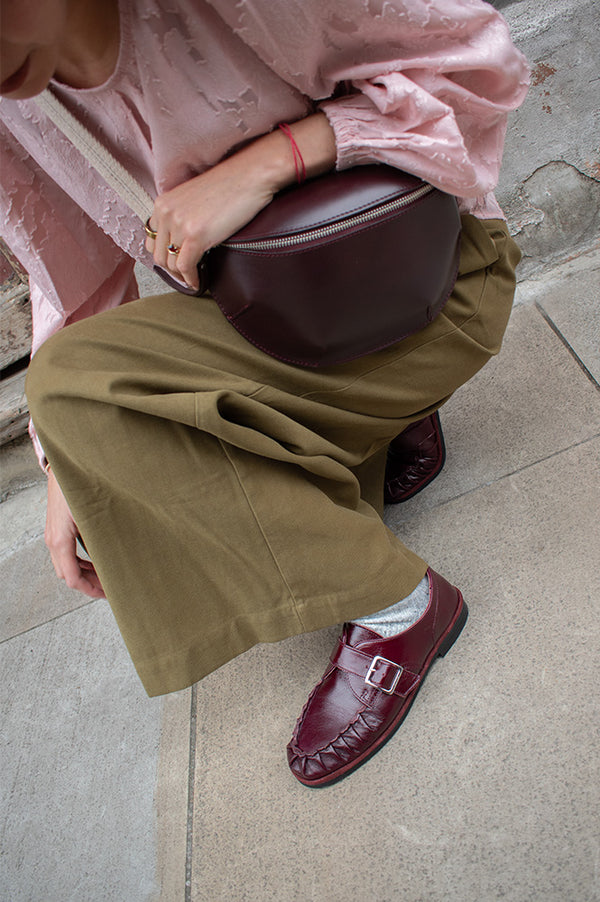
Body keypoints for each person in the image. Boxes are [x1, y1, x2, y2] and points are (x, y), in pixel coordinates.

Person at [0, 0, 529, 787]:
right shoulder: (18, 105)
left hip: (435, 284)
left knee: (76, 392)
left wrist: (272, 161)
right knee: (76, 399)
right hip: (283, 323)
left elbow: (480, 65)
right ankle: (384, 424)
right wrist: (66, 461)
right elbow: (72, 284)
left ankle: (399, 608)